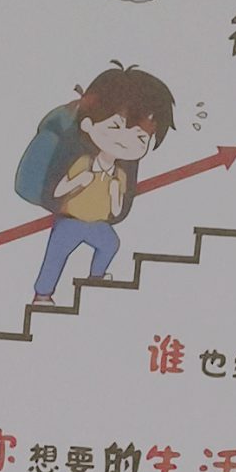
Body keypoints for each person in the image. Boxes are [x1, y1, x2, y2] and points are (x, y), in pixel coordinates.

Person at [29, 61, 175, 303]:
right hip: (71, 222)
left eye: (140, 137)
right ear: (88, 125)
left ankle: (96, 277)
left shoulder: (121, 176)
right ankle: (43, 294)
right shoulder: (83, 163)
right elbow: (58, 191)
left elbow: (116, 211)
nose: (126, 139)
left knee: (110, 244)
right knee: (56, 255)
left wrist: (116, 195)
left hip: (97, 224)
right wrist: (79, 181)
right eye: (116, 126)